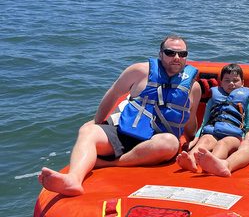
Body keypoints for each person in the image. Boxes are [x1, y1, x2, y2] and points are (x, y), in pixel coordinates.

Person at [38, 35, 201, 196]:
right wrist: (97, 122)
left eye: (182, 54)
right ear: (160, 54)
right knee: (88, 131)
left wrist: (190, 139)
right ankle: (73, 179)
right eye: (170, 53)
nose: (177, 58)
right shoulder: (139, 71)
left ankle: (109, 163)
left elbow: (190, 120)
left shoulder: (193, 88)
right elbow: (113, 94)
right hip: (124, 133)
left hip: (155, 144)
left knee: (169, 143)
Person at [176, 63, 249, 172]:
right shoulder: (213, 100)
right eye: (227, 80)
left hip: (234, 136)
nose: (231, 83)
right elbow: (205, 122)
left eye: (235, 80)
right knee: (204, 140)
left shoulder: (248, 102)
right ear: (221, 83)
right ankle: (190, 160)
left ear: (242, 83)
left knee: (223, 144)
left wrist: (246, 142)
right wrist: (195, 140)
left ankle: (212, 162)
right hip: (212, 131)